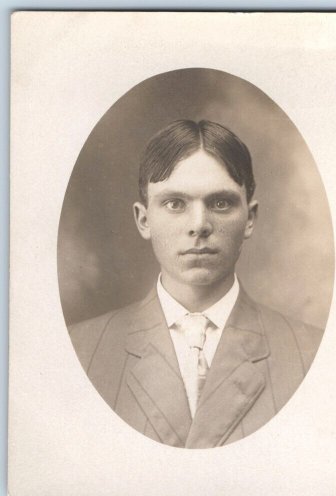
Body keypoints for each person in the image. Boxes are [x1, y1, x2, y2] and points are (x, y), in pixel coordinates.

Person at [68, 119, 322, 449]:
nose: (199, 225)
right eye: (175, 204)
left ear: (250, 219)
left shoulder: (309, 353)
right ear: (144, 220)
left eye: (220, 203)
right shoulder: (80, 349)